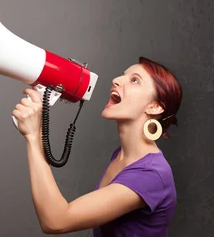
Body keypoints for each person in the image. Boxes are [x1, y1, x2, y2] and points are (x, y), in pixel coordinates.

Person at [12, 56, 182, 236]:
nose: (116, 80)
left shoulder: (151, 175)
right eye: (123, 75)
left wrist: (33, 136)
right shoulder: (122, 156)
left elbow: (56, 221)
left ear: (154, 107)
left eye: (134, 80)